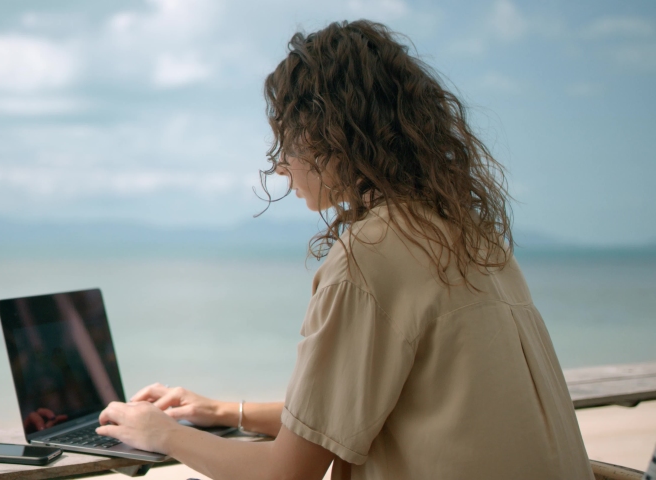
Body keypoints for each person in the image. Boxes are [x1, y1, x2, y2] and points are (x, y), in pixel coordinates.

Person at [96, 20, 594, 480]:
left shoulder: (370, 257)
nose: (280, 165)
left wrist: (163, 434)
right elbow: (363, 414)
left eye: (285, 139)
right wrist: (227, 412)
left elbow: (288, 473)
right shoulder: (470, 237)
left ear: (328, 135)